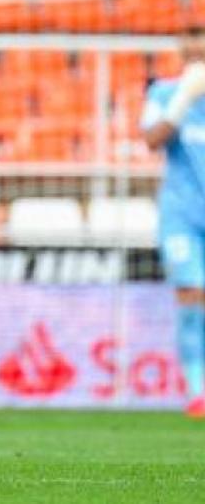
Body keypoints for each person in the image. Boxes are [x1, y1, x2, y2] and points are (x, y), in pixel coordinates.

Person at [142, 26, 205, 417]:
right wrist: (184, 99)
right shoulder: (164, 92)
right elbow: (152, 139)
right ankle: (198, 392)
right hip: (182, 213)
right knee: (191, 293)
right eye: (191, 48)